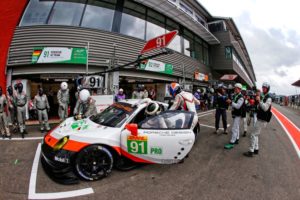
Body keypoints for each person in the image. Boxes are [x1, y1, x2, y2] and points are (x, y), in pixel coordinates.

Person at [244, 82, 272, 157]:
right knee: (256, 134)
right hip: (260, 117)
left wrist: (259, 101)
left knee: (253, 134)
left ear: (268, 89)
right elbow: (258, 105)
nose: (263, 89)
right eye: (263, 87)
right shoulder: (263, 96)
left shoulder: (268, 98)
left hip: (263, 119)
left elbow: (265, 108)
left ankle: (251, 151)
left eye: (265, 88)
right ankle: (256, 149)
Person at [224, 83, 244, 149]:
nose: (235, 89)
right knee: (237, 127)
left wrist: (230, 102)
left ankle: (232, 142)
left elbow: (238, 106)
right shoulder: (236, 95)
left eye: (236, 88)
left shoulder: (241, 97)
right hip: (235, 113)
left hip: (238, 114)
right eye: (235, 88)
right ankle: (237, 139)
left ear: (239, 89)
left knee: (234, 128)